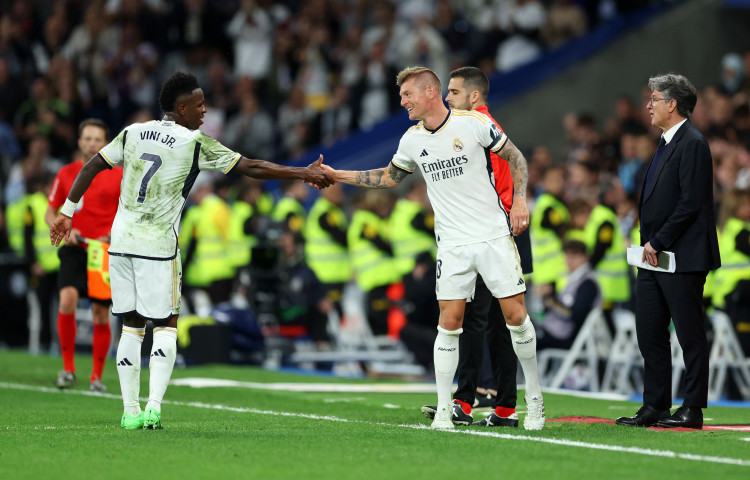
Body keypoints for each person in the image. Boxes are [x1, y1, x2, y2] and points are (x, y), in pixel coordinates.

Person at [49, 72, 334, 430]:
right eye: (199, 105)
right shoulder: (195, 142)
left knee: (131, 326)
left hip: (120, 243)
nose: (204, 110)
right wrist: (302, 172)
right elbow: (251, 167)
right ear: (181, 108)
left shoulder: (134, 132)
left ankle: (129, 411)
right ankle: (153, 408)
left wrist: (66, 212)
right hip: (158, 245)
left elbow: (92, 165)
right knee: (166, 324)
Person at [322, 66, 545, 430]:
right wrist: (337, 175)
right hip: (452, 246)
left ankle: (534, 400)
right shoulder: (411, 140)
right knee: (449, 324)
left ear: (429, 91)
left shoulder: (473, 123)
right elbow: (388, 177)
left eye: (407, 95)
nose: (402, 102)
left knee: (515, 318)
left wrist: (520, 201)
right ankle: (445, 410)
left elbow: (516, 158)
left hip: (492, 236)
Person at [422, 66, 536, 428]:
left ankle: (480, 403)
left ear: (474, 96)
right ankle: (486, 404)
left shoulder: (479, 128)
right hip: (495, 232)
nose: (447, 99)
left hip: (497, 234)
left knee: (485, 321)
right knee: (489, 322)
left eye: (453, 93)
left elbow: (503, 181)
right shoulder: (470, 128)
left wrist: (511, 213)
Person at [616, 73, 720, 430]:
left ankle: (692, 408)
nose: (648, 105)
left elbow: (691, 202)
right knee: (649, 331)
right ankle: (655, 405)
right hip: (653, 257)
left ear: (672, 104)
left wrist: (657, 241)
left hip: (682, 256)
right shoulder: (664, 142)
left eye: (654, 99)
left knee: (689, 334)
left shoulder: (693, 142)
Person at [46, 119, 121, 392]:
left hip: (103, 251)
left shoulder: (119, 175)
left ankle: (96, 377)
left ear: (106, 143)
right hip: (74, 249)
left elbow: (128, 214)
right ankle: (68, 370)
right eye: (87, 139)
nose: (91, 144)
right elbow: (50, 212)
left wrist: (112, 235)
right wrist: (65, 230)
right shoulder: (66, 173)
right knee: (67, 299)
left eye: (97, 139)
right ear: (79, 142)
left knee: (101, 313)